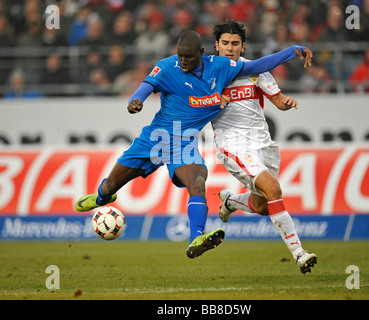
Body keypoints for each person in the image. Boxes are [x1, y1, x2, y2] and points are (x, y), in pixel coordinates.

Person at [74, 30, 312, 259]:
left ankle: (196, 239)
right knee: (111, 185)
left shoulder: (219, 67)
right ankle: (102, 198)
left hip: (184, 142)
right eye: (180, 56)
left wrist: (291, 51)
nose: (184, 61)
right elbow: (146, 86)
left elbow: (255, 66)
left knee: (198, 181)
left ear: (201, 52)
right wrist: (136, 100)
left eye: (188, 56)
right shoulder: (168, 66)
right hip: (156, 139)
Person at [212, 20, 317, 274]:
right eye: (225, 43)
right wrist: (215, 101)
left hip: (263, 144)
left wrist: (286, 102)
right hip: (233, 144)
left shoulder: (255, 71)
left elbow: (277, 100)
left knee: (262, 206)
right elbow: (196, 105)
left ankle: (231, 202)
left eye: (234, 43)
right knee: (273, 188)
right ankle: (299, 254)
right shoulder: (209, 74)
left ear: (242, 46)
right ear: (216, 46)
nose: (229, 48)